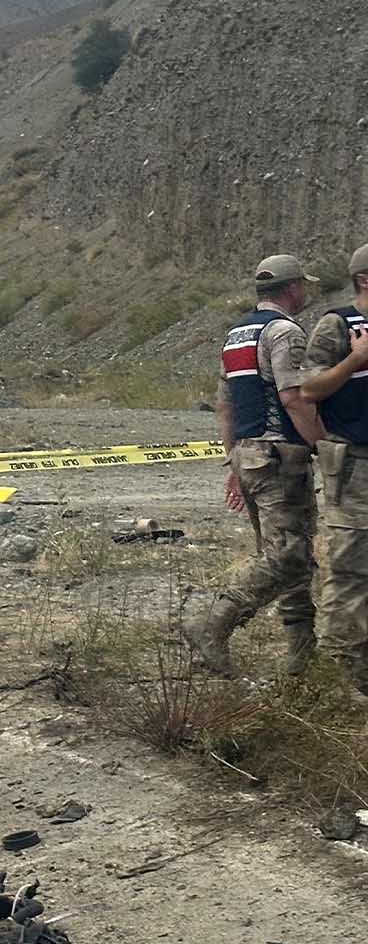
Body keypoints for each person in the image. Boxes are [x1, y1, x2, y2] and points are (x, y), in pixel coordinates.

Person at [183, 255, 326, 676]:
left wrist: (233, 461)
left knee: (289, 557)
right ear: (292, 287)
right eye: (303, 285)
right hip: (280, 457)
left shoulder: (236, 335)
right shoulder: (284, 332)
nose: (305, 292)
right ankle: (213, 622)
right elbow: (292, 396)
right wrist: (323, 443)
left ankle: (301, 661)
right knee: (289, 556)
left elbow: (225, 406)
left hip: (249, 456)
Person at [290, 242, 368, 699]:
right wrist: (356, 360)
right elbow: (309, 388)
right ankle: (340, 675)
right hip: (356, 463)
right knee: (351, 567)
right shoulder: (337, 325)